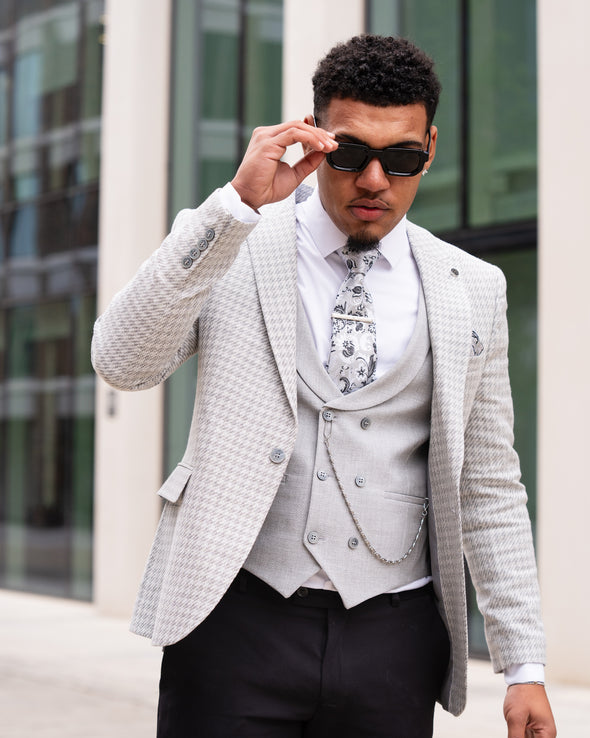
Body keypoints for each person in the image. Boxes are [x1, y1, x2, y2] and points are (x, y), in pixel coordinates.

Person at [92, 34, 556, 738]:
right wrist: (236, 206)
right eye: (350, 153)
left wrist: (524, 665)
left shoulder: (474, 287)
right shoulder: (235, 240)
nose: (373, 179)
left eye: (400, 158)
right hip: (234, 620)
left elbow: (490, 482)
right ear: (314, 137)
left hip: (394, 637)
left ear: (430, 148)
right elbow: (122, 362)